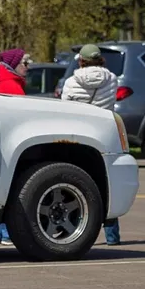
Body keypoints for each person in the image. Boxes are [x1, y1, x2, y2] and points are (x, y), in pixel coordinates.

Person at [61, 44, 122, 244]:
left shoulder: (71, 82)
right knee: (106, 184)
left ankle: (71, 229)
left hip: (77, 137)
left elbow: (65, 108)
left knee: (75, 183)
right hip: (104, 134)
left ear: (81, 60)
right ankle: (112, 236)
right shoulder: (111, 79)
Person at [0, 48, 29, 244]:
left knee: (3, 187)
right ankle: (5, 233)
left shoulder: (0, 82)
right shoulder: (12, 86)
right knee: (13, 189)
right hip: (12, 144)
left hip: (0, 143)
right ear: (13, 65)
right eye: (24, 63)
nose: (27, 67)